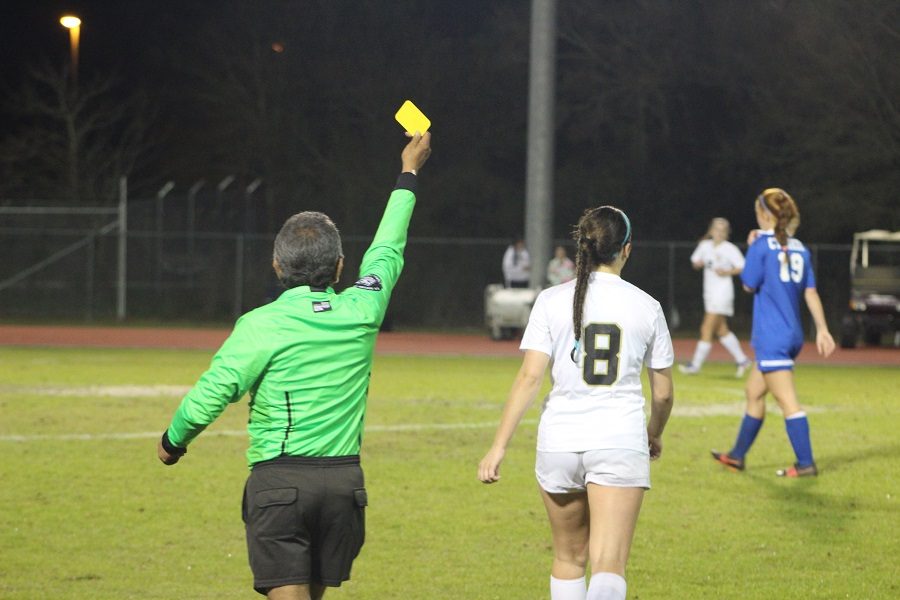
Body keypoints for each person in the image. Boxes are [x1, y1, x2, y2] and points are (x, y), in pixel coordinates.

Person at [156, 132, 432, 600]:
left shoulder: (261, 324)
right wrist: (409, 172)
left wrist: (172, 442)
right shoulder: (361, 310)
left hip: (280, 482)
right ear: (341, 266)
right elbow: (388, 249)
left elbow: (214, 390)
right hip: (344, 485)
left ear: (277, 266)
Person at [478, 206, 674, 600]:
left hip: (560, 442)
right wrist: (652, 433)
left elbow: (529, 377)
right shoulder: (647, 306)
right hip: (618, 439)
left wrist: (498, 447)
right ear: (626, 249)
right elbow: (664, 393)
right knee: (608, 562)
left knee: (569, 558)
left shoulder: (551, 300)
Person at [711, 188, 835, 478]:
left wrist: (753, 245)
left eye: (757, 212)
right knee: (753, 391)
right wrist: (822, 329)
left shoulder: (761, 245)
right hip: (792, 335)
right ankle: (737, 456)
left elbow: (749, 284)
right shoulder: (800, 248)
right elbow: (811, 292)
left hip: (772, 335)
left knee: (787, 401)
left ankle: (805, 463)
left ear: (765, 215)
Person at [679, 218, 752, 377]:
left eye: (723, 230)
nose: (719, 233)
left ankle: (695, 366)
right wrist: (697, 263)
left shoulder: (730, 249)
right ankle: (743, 360)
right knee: (721, 330)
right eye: (716, 229)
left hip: (723, 293)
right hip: (709, 293)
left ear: (727, 233)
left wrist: (727, 272)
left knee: (706, 328)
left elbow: (742, 266)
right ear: (711, 231)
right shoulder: (705, 246)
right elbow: (695, 261)